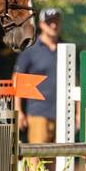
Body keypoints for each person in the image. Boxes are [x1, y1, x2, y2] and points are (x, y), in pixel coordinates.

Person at [13, 7, 61, 144]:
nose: (53, 25)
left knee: (59, 160)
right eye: (49, 21)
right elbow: (18, 79)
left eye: (56, 21)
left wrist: (77, 113)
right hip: (38, 113)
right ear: (41, 24)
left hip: (63, 113)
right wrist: (18, 110)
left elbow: (75, 81)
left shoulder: (66, 49)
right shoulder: (30, 50)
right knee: (37, 158)